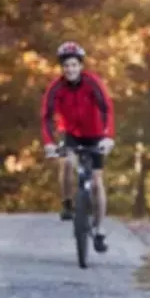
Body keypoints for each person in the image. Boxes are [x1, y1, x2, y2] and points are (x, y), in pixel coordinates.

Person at [41, 41, 115, 253]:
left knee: (97, 182)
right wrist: (49, 143)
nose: (70, 69)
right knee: (66, 163)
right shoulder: (56, 87)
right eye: (66, 66)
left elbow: (107, 109)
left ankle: (99, 229)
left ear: (81, 66)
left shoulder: (92, 83)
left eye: (74, 65)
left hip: (96, 135)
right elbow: (46, 117)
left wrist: (107, 137)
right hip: (71, 134)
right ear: (62, 68)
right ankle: (67, 203)